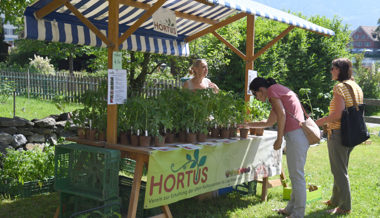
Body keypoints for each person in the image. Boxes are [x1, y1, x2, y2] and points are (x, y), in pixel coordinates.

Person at [239, 77, 309, 218]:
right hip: (297, 136)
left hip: (296, 136)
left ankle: (298, 214)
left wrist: (279, 138)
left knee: (297, 176)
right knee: (295, 175)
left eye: (255, 94)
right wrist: (246, 125)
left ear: (261, 90)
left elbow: (282, 115)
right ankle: (290, 210)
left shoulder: (272, 91)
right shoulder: (277, 92)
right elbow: (269, 122)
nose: (256, 98)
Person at [315, 58, 362, 215]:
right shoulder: (355, 86)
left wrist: (317, 122)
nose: (331, 71)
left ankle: (345, 207)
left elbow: (336, 115)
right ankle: (335, 200)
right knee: (340, 168)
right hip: (352, 133)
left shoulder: (339, 87)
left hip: (339, 133)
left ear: (339, 70)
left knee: (339, 171)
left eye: (333, 68)